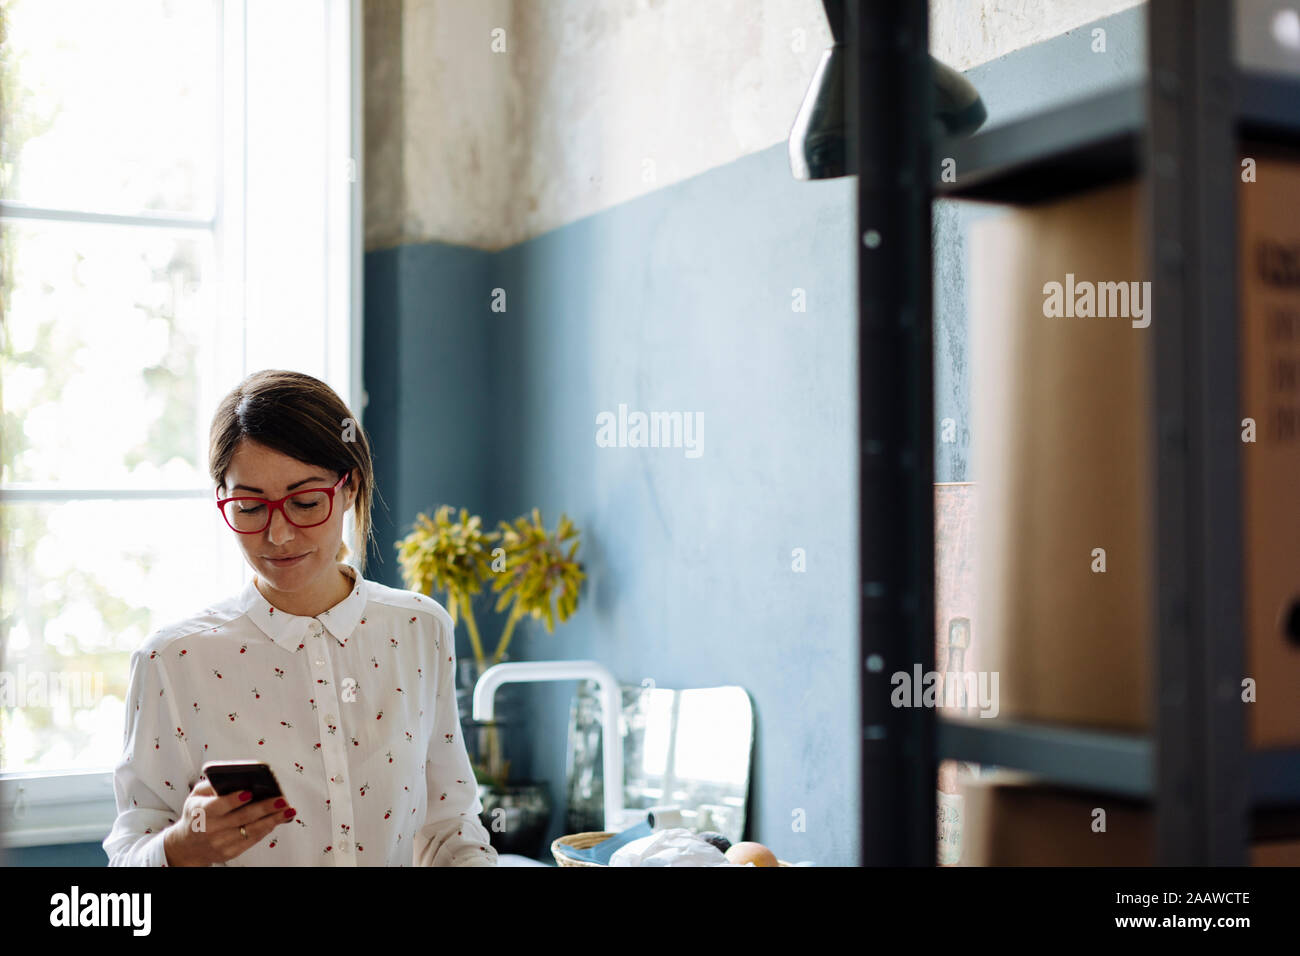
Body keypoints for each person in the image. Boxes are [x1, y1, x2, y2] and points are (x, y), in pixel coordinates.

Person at [103, 369, 498, 866]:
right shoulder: (172, 659)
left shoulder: (420, 628)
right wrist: (181, 848)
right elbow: (130, 856)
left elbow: (448, 827)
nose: (279, 535)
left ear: (348, 489)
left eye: (306, 502)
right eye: (249, 508)